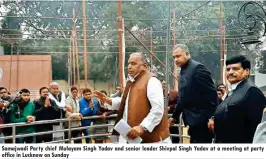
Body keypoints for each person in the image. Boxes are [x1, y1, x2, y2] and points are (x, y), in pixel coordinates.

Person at [95, 52, 171, 143]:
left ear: (144, 66)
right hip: (129, 135)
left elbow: (158, 109)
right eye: (129, 63)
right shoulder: (131, 81)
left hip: (149, 138)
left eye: (134, 63)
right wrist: (108, 100)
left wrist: (142, 127)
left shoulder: (152, 81)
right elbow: (126, 102)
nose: (130, 66)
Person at [209, 55, 266, 143]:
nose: (230, 72)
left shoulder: (251, 91)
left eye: (235, 69)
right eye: (228, 69)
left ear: (247, 71)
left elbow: (256, 128)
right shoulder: (234, 91)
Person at [168, 44, 218, 143]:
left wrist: (213, 117)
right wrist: (174, 116)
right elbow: (182, 97)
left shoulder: (197, 69)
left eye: (178, 56)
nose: (175, 60)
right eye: (174, 57)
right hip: (192, 121)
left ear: (187, 54)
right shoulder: (183, 70)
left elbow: (212, 94)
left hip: (203, 121)